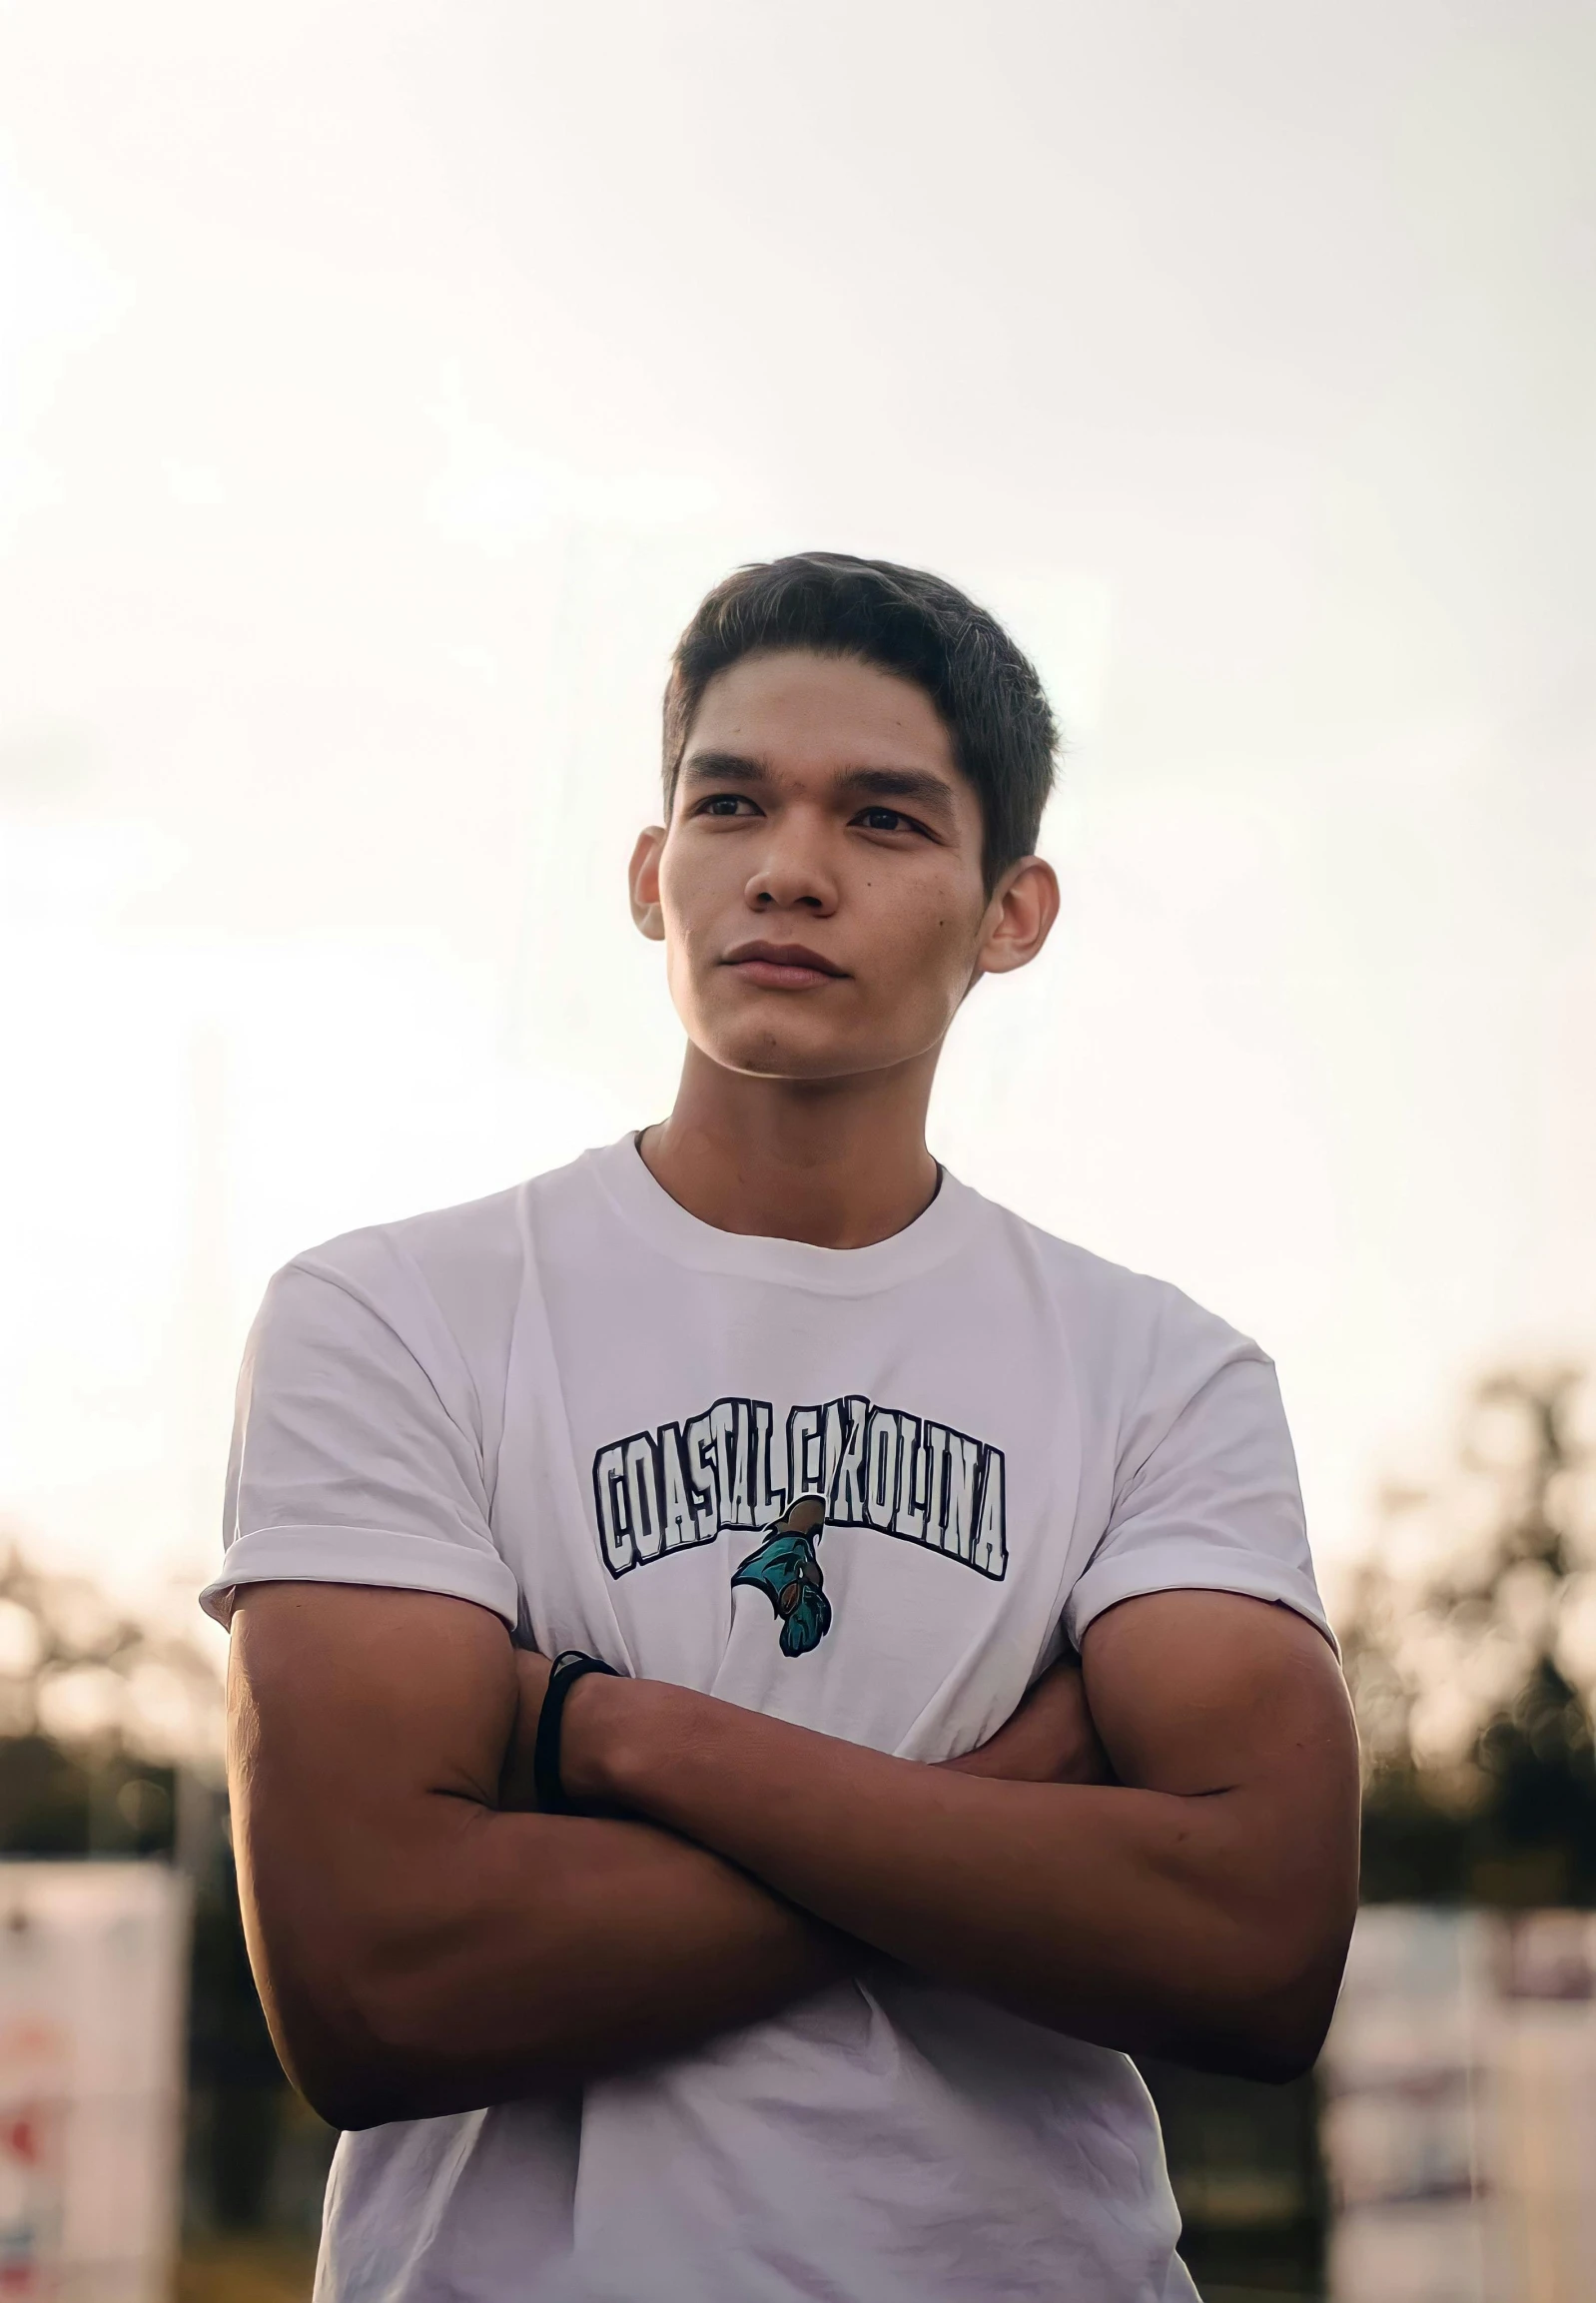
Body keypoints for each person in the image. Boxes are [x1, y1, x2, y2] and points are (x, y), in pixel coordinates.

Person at [205, 553, 1359, 2303]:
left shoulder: (1156, 1369)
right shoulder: (396, 1315)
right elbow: (382, 1988)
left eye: (885, 820)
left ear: (1011, 911)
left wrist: (609, 1734)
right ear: (649, 872)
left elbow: (1255, 1950)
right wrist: (994, 1813)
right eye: (729, 801)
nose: (788, 868)